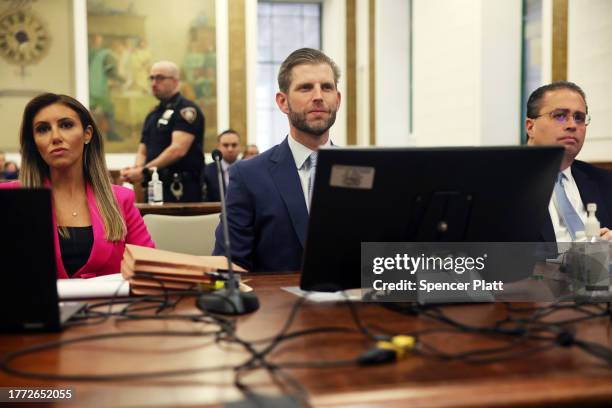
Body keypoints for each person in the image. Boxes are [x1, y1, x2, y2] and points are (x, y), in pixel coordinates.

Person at [0, 93, 155, 279]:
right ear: (34, 142)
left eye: (66, 125)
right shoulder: (8, 198)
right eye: (43, 129)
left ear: (87, 134)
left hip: (109, 306)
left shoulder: (120, 199)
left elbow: (150, 268)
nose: (55, 137)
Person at [213, 48, 341, 271]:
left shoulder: (366, 170)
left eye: (327, 87)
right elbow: (229, 265)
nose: (319, 96)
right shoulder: (248, 176)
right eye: (305, 87)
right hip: (276, 303)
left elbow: (387, 255)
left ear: (337, 100)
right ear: (283, 102)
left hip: (353, 301)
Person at [525, 81, 612, 242]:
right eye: (559, 116)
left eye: (579, 118)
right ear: (530, 127)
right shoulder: (501, 183)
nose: (572, 125)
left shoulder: (605, 182)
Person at [120, 60, 205, 203]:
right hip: (154, 187)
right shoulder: (154, 113)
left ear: (175, 81)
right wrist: (136, 170)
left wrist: (144, 171)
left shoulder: (186, 110)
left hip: (180, 190)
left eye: (159, 78)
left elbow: (178, 150)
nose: (154, 83)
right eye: (151, 78)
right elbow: (143, 150)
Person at [203, 129, 241, 202]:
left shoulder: (247, 170)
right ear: (218, 147)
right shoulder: (207, 171)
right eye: (225, 145)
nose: (230, 149)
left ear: (239, 146)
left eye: (234, 145)